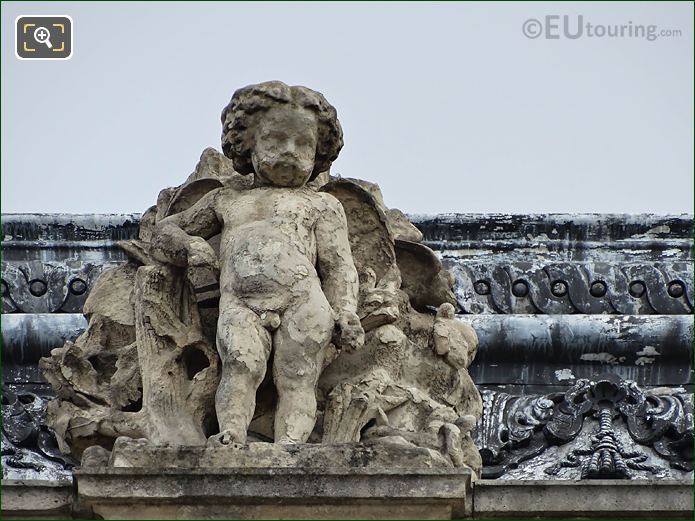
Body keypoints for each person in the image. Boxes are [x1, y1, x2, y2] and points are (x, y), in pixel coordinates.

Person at [151, 81, 364, 444]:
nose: (289, 152)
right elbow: (162, 233)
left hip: (304, 300)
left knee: (297, 375)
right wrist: (188, 246)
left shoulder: (322, 206)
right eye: (276, 140)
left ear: (318, 153)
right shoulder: (226, 200)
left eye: (303, 144)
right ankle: (232, 435)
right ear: (247, 143)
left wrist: (345, 310)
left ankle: (291, 447)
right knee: (240, 363)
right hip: (241, 301)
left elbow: (338, 266)